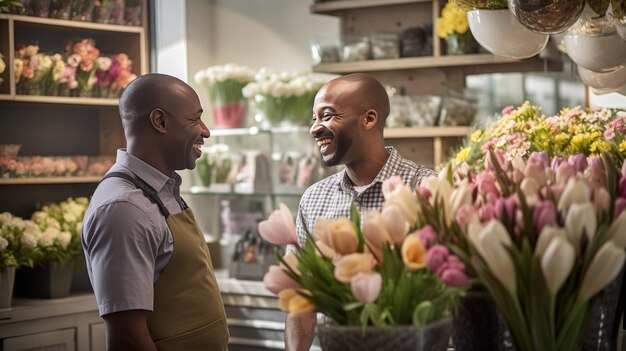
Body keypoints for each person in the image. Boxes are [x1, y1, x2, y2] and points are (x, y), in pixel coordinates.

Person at [288, 73, 436, 350]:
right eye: (314, 118)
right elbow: (302, 295)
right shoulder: (313, 199)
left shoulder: (425, 189)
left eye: (327, 115)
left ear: (369, 119)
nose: (315, 129)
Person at [82, 73, 229, 350]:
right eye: (194, 119)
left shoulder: (160, 191)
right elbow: (127, 338)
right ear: (159, 121)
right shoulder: (124, 209)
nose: (205, 130)